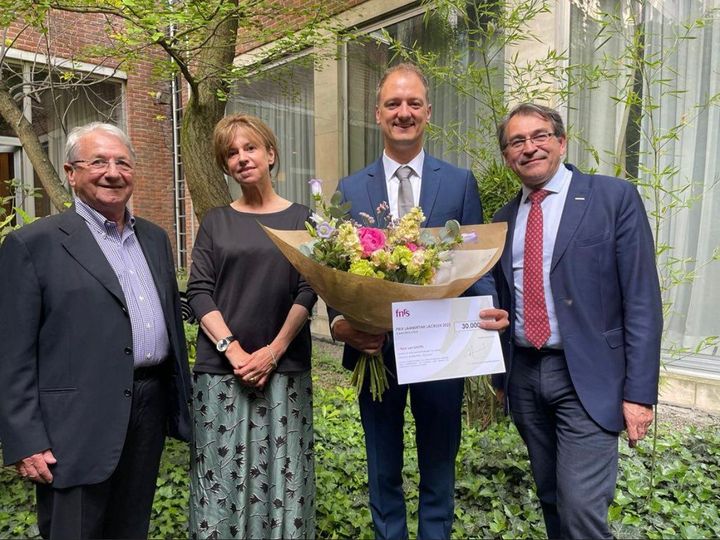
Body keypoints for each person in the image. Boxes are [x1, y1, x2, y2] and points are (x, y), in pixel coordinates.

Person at [328, 63, 508, 540]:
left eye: (413, 104)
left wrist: (486, 330)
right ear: (377, 114)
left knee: (439, 468)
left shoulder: (460, 182)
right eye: (393, 104)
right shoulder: (350, 188)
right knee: (382, 468)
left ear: (428, 112)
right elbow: (334, 269)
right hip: (375, 350)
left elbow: (475, 265)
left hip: (441, 348)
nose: (403, 113)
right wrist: (343, 324)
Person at [0, 122, 192, 539]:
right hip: (74, 426)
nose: (113, 172)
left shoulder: (155, 239)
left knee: (131, 528)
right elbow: (11, 353)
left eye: (123, 163)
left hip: (147, 409)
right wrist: (25, 438)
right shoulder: (33, 245)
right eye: (98, 162)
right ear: (71, 173)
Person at [491, 102, 663, 539]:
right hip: (525, 375)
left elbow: (642, 299)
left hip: (587, 376)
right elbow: (501, 300)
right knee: (551, 497)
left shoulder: (612, 198)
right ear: (507, 157)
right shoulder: (503, 220)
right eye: (517, 142)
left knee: (582, 510)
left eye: (540, 136)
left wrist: (639, 395)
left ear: (561, 142)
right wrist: (499, 377)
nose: (529, 147)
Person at [187, 114, 317, 539]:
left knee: (285, 482)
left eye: (250, 148)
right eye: (231, 153)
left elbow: (308, 290)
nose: (242, 158)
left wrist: (273, 352)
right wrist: (235, 351)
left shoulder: (303, 219)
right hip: (223, 374)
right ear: (226, 166)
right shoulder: (215, 222)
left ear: (270, 154)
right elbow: (199, 291)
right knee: (220, 483)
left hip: (285, 372)